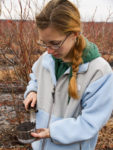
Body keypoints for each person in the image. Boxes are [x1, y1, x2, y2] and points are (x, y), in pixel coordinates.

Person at [23, 0, 113, 150]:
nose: (49, 50)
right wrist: (32, 91)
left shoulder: (99, 72)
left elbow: (90, 123)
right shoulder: (46, 59)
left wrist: (53, 132)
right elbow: (36, 77)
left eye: (55, 43)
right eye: (44, 43)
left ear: (74, 34)